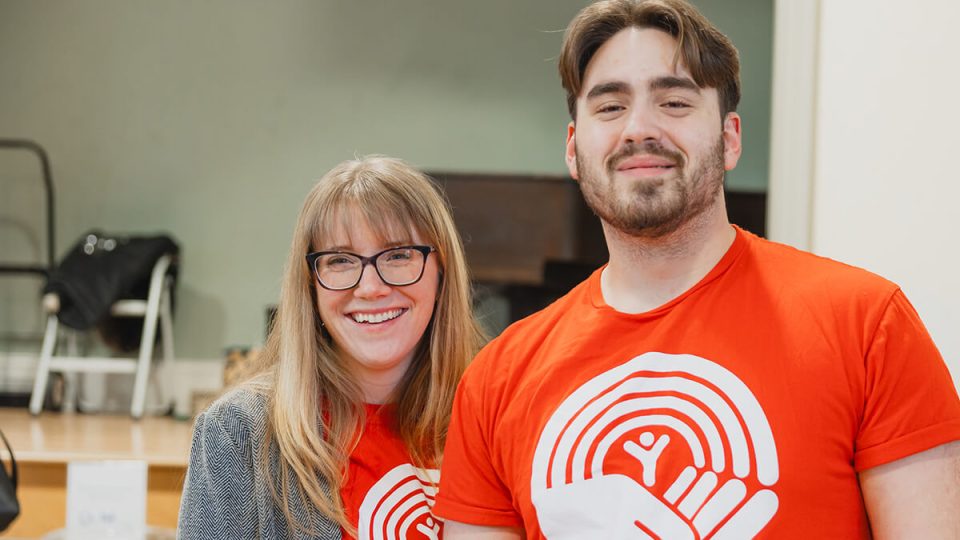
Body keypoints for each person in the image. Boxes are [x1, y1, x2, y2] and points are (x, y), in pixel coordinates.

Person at [432, 1, 960, 538]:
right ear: (574, 149)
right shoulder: (497, 380)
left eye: (675, 102)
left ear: (730, 139)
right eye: (610, 107)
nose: (639, 128)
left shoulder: (867, 325)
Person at [178, 156, 484, 539]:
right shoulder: (239, 431)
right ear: (311, 285)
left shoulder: (492, 417)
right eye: (340, 260)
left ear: (442, 272)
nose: (370, 287)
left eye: (399, 255)